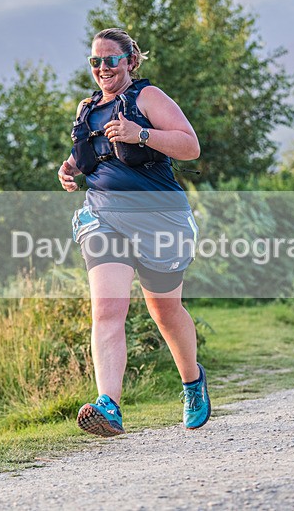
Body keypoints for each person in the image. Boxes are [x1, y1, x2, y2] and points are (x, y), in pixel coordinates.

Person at [57, 28, 210, 437]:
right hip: (105, 217)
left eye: (111, 60)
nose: (103, 68)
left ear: (130, 61)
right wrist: (70, 168)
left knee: (165, 311)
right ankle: (109, 405)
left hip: (161, 219)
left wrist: (140, 134)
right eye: (96, 61)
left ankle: (192, 382)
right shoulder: (87, 108)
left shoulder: (148, 97)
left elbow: (189, 146)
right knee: (107, 309)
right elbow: (91, 152)